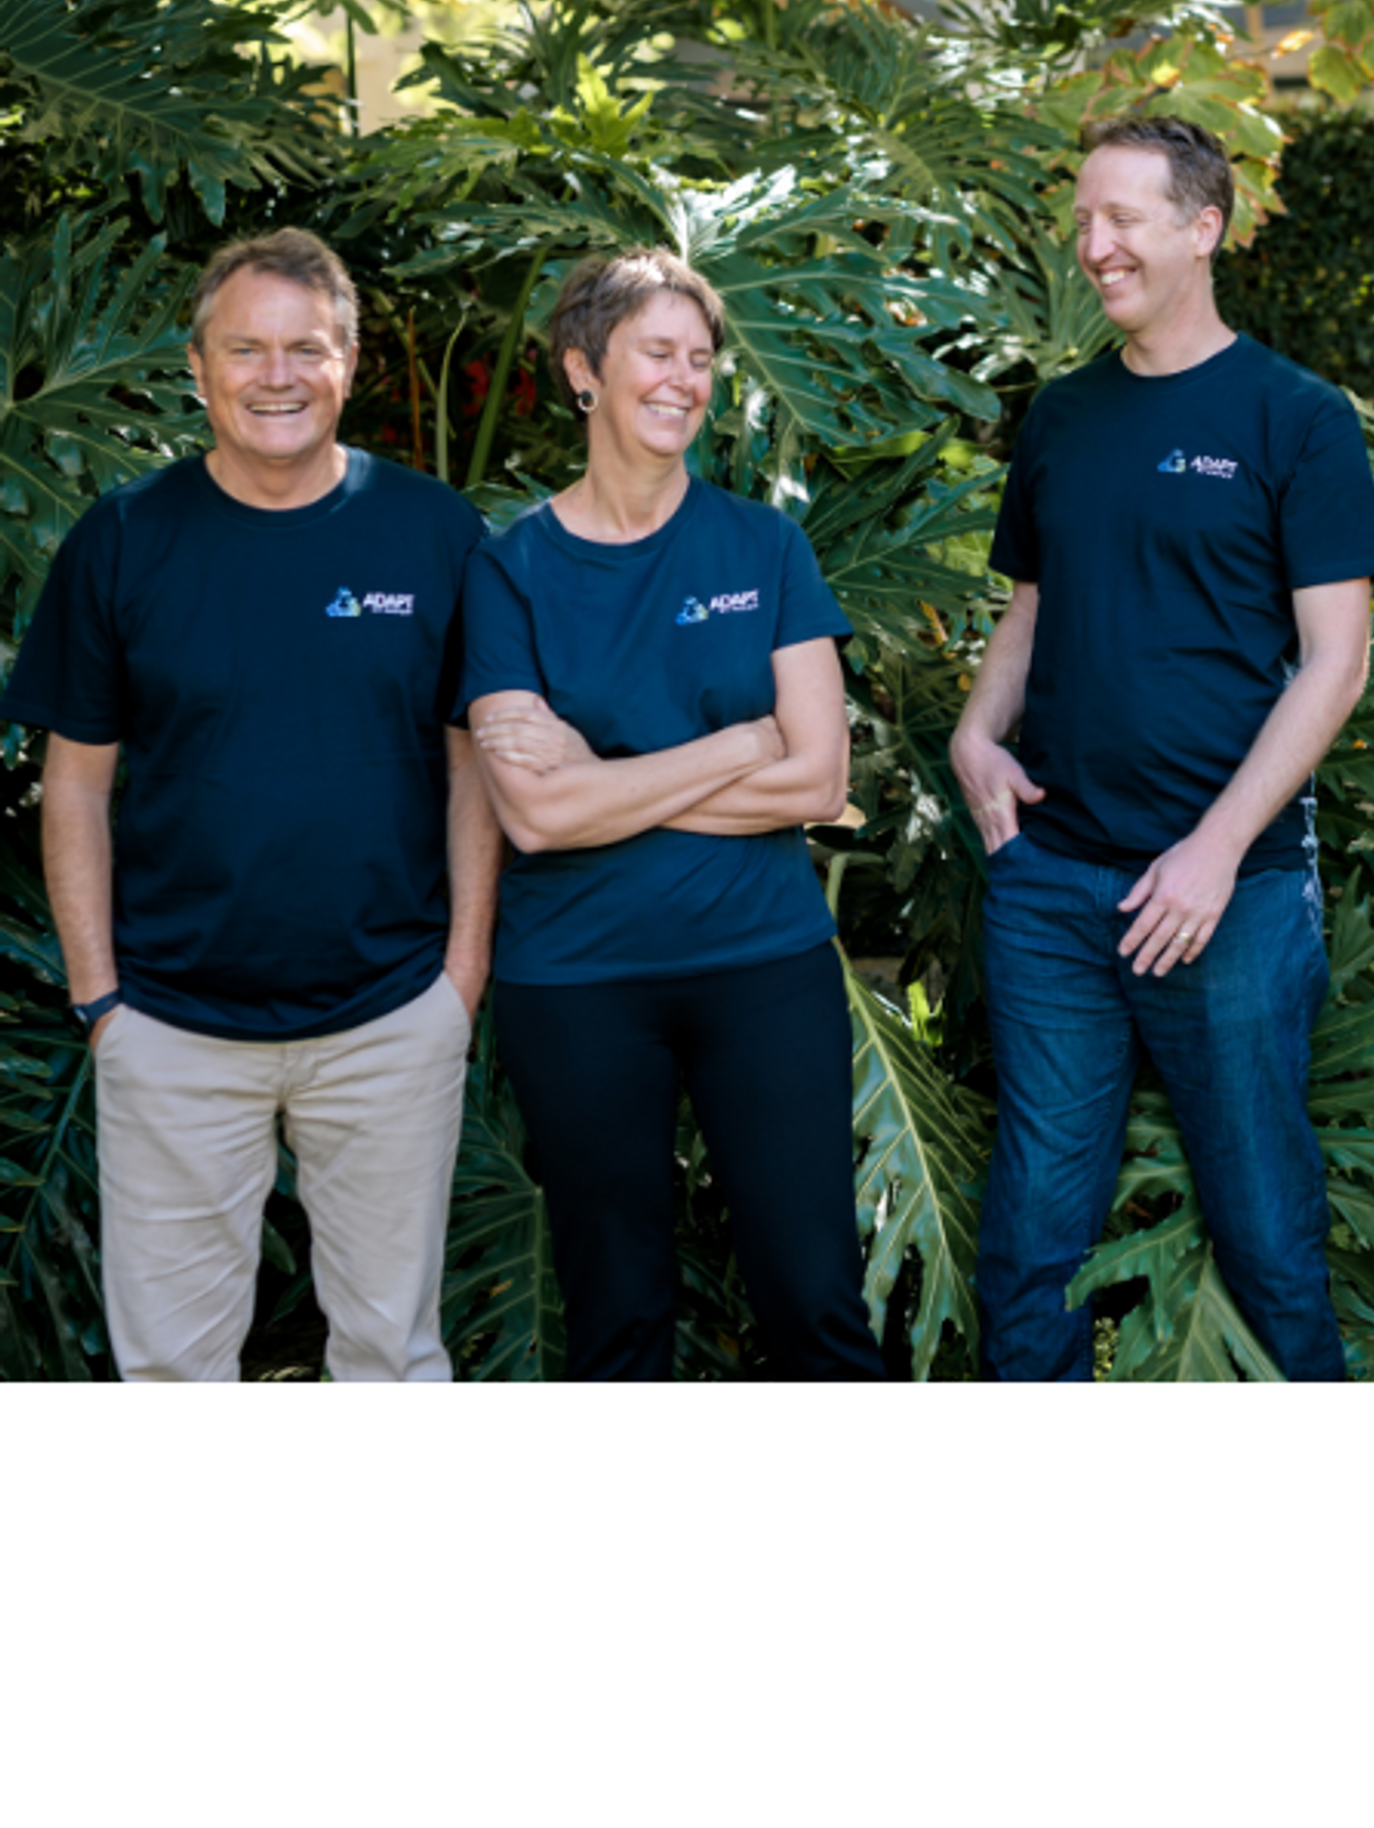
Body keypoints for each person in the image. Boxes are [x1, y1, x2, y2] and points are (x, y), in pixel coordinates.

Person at [1, 228, 497, 1381]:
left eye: (305, 348)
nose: (277, 374)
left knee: (391, 1358)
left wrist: (459, 978)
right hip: (171, 1028)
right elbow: (75, 782)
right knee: (174, 1377)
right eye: (247, 348)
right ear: (198, 366)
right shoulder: (123, 538)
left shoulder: (434, 533)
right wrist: (100, 998)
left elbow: (473, 762)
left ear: (350, 362)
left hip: (388, 1020)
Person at [950, 113, 1374, 1380]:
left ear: (1204, 229)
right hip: (1054, 882)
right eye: (1083, 219)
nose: (1094, 245)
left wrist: (1213, 849)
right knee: (1033, 1228)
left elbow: (1337, 660)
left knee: (1265, 1231)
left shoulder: (1296, 417)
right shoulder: (1063, 417)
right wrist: (980, 731)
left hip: (1228, 895)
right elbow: (1034, 604)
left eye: (1123, 218)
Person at [459, 247, 885, 1382]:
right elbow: (537, 819)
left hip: (766, 969)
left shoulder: (764, 546)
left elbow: (817, 783)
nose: (685, 380)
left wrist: (612, 778)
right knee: (618, 1313)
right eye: (658, 352)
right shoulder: (509, 571)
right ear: (583, 370)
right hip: (579, 983)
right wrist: (742, 742)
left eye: (701, 359)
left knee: (813, 1297)